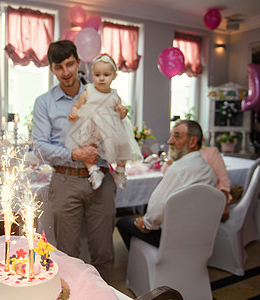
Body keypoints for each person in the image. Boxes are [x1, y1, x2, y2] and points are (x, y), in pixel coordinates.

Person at [32, 40, 127, 281]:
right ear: (51, 69)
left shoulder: (102, 91)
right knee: (67, 253)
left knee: (103, 251)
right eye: (59, 67)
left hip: (102, 180)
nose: (66, 72)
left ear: (78, 62)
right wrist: (76, 154)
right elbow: (40, 147)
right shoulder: (44, 103)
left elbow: (119, 130)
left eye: (70, 64)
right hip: (66, 180)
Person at [116, 120, 217, 249]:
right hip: (199, 236)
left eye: (177, 136)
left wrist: (146, 224)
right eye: (171, 136)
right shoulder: (207, 169)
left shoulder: (177, 170)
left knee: (123, 223)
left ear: (192, 141)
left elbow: (156, 208)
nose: (170, 141)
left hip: (172, 237)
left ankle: (144, 262)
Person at [66, 54, 141, 190]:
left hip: (111, 128)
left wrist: (122, 111)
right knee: (87, 150)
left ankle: (120, 170)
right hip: (91, 127)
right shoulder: (89, 90)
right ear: (92, 75)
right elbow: (78, 105)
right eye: (97, 74)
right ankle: (94, 171)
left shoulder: (114, 95)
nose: (101, 78)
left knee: (124, 145)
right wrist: (74, 113)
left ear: (114, 76)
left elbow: (121, 111)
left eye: (106, 75)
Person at [161, 145, 231, 222]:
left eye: (178, 136)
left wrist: (224, 206)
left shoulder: (211, 152)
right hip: (184, 203)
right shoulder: (180, 154)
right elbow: (165, 171)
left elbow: (223, 181)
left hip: (207, 202)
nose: (171, 141)